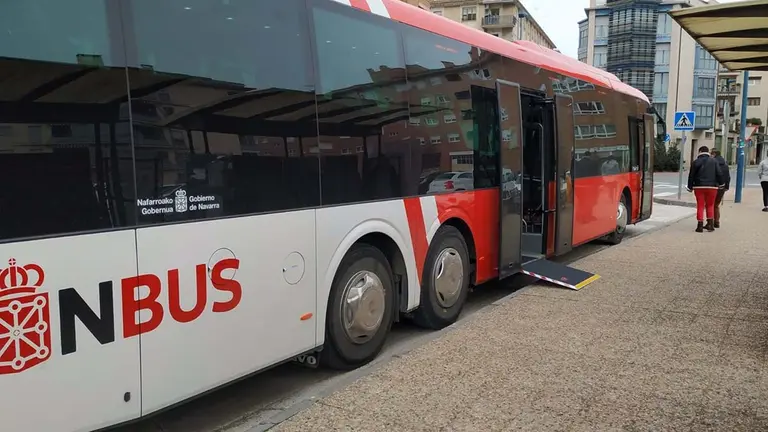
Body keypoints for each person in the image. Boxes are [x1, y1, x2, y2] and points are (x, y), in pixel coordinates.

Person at [687, 145, 725, 232]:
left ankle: (699, 225)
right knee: (710, 205)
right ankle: (710, 224)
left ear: (700, 152)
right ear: (708, 152)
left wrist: (690, 187)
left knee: (700, 205)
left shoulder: (695, 162)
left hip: (699, 186)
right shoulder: (714, 161)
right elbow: (719, 173)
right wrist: (721, 183)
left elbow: (691, 176)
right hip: (712, 187)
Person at [710, 149, 730, 228]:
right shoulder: (725, 164)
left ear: (714, 154)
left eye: (711, 154)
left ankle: (710, 222)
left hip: (714, 186)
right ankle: (717, 221)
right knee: (716, 205)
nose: (710, 156)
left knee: (711, 204)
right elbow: (728, 177)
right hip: (722, 187)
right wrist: (726, 186)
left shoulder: (712, 163)